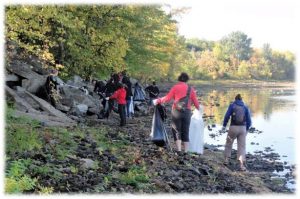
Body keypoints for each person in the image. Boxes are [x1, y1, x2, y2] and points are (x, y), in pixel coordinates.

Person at [153, 72, 200, 152]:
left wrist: (158, 100)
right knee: (186, 131)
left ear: (179, 79)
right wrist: (199, 110)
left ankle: (179, 150)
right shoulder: (190, 89)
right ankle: (185, 151)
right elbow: (196, 103)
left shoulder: (175, 87)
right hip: (187, 112)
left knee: (176, 130)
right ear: (186, 80)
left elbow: (167, 98)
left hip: (176, 111)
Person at [222, 94, 252, 171]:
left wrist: (224, 125)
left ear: (235, 99)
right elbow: (249, 120)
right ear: (241, 99)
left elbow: (227, 116)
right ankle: (241, 165)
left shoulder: (232, 105)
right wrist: (247, 129)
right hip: (242, 128)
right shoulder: (245, 107)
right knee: (241, 147)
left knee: (229, 144)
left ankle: (226, 160)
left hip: (233, 127)